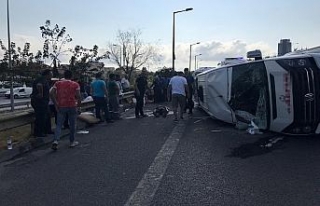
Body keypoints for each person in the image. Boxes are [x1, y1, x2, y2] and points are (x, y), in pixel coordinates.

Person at [50, 70, 81, 150]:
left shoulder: (58, 83)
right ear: (71, 76)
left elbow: (51, 93)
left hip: (61, 105)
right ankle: (72, 141)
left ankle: (56, 141)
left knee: (59, 124)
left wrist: (56, 103)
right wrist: (79, 106)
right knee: (72, 124)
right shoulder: (75, 84)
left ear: (64, 75)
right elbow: (78, 96)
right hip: (72, 105)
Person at [31, 69, 52, 137]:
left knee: (47, 115)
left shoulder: (44, 80)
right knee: (41, 117)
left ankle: (47, 130)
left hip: (44, 101)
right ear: (47, 74)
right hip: (40, 102)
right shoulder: (41, 79)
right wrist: (41, 93)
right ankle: (38, 133)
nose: (51, 75)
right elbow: (39, 85)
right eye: (50, 74)